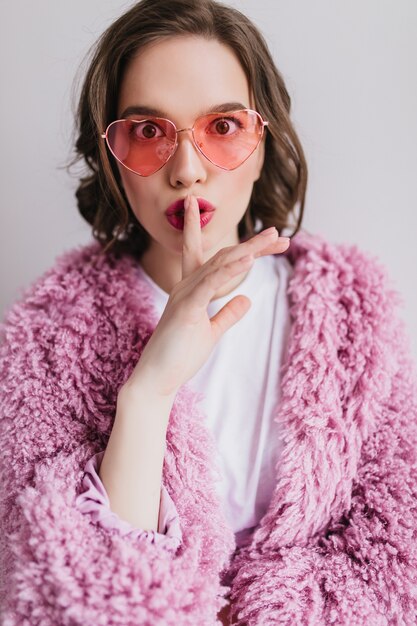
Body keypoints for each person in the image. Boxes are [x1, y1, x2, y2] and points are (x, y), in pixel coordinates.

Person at [1, 0, 417, 624]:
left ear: (262, 137)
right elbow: (66, 592)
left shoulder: (352, 314)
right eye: (148, 131)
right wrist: (149, 388)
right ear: (110, 152)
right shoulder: (47, 340)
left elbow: (394, 557)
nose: (187, 172)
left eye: (222, 126)